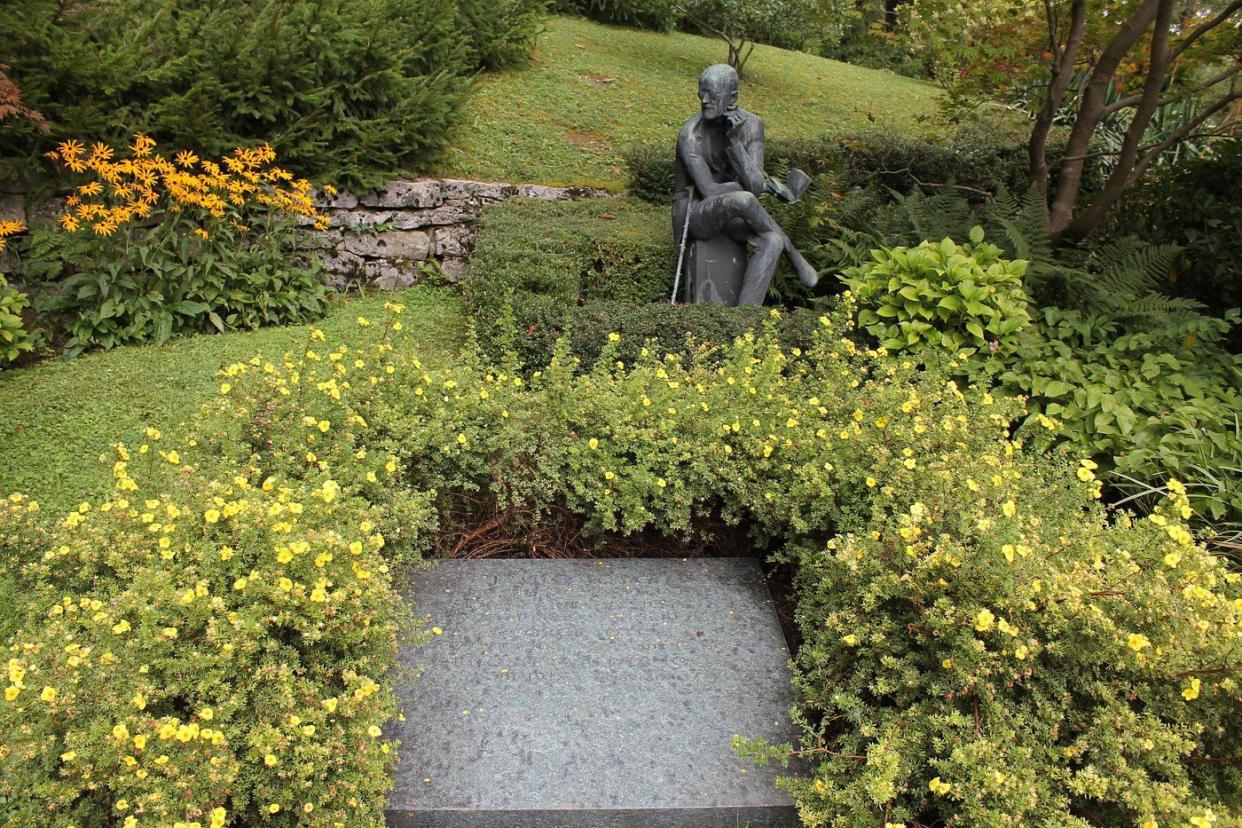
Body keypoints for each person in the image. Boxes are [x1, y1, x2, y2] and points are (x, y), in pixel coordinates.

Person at [673, 64, 819, 305]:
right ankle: (794, 255)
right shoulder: (690, 135)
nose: (705, 99)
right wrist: (741, 187)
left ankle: (744, 320)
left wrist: (736, 143)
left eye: (713, 93)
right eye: (702, 91)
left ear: (733, 98)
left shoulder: (751, 126)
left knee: (772, 241)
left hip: (735, 212)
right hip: (696, 213)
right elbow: (709, 191)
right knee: (744, 200)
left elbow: (755, 185)